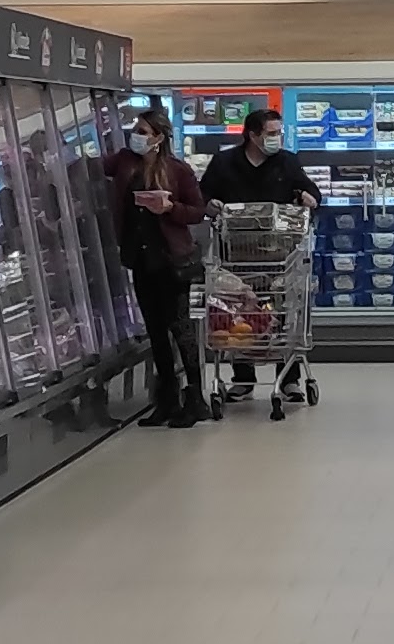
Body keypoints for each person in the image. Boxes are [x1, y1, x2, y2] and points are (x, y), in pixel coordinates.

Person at [199, 98, 318, 401]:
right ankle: (243, 377)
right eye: (271, 133)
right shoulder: (224, 163)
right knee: (238, 314)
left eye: (279, 132)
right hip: (236, 253)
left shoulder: (287, 162)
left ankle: (288, 378)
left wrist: (309, 198)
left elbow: (311, 192)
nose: (277, 138)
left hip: (281, 255)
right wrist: (210, 205)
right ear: (252, 135)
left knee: (285, 311)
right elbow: (202, 196)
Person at [108, 100, 205, 426]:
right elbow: (89, 167)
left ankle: (195, 399)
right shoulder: (125, 162)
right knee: (155, 331)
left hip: (171, 259)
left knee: (181, 328)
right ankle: (166, 400)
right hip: (140, 258)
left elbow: (197, 211)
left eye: (142, 131)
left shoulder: (177, 171)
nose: (135, 136)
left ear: (158, 138)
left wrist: (170, 208)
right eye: (135, 130)